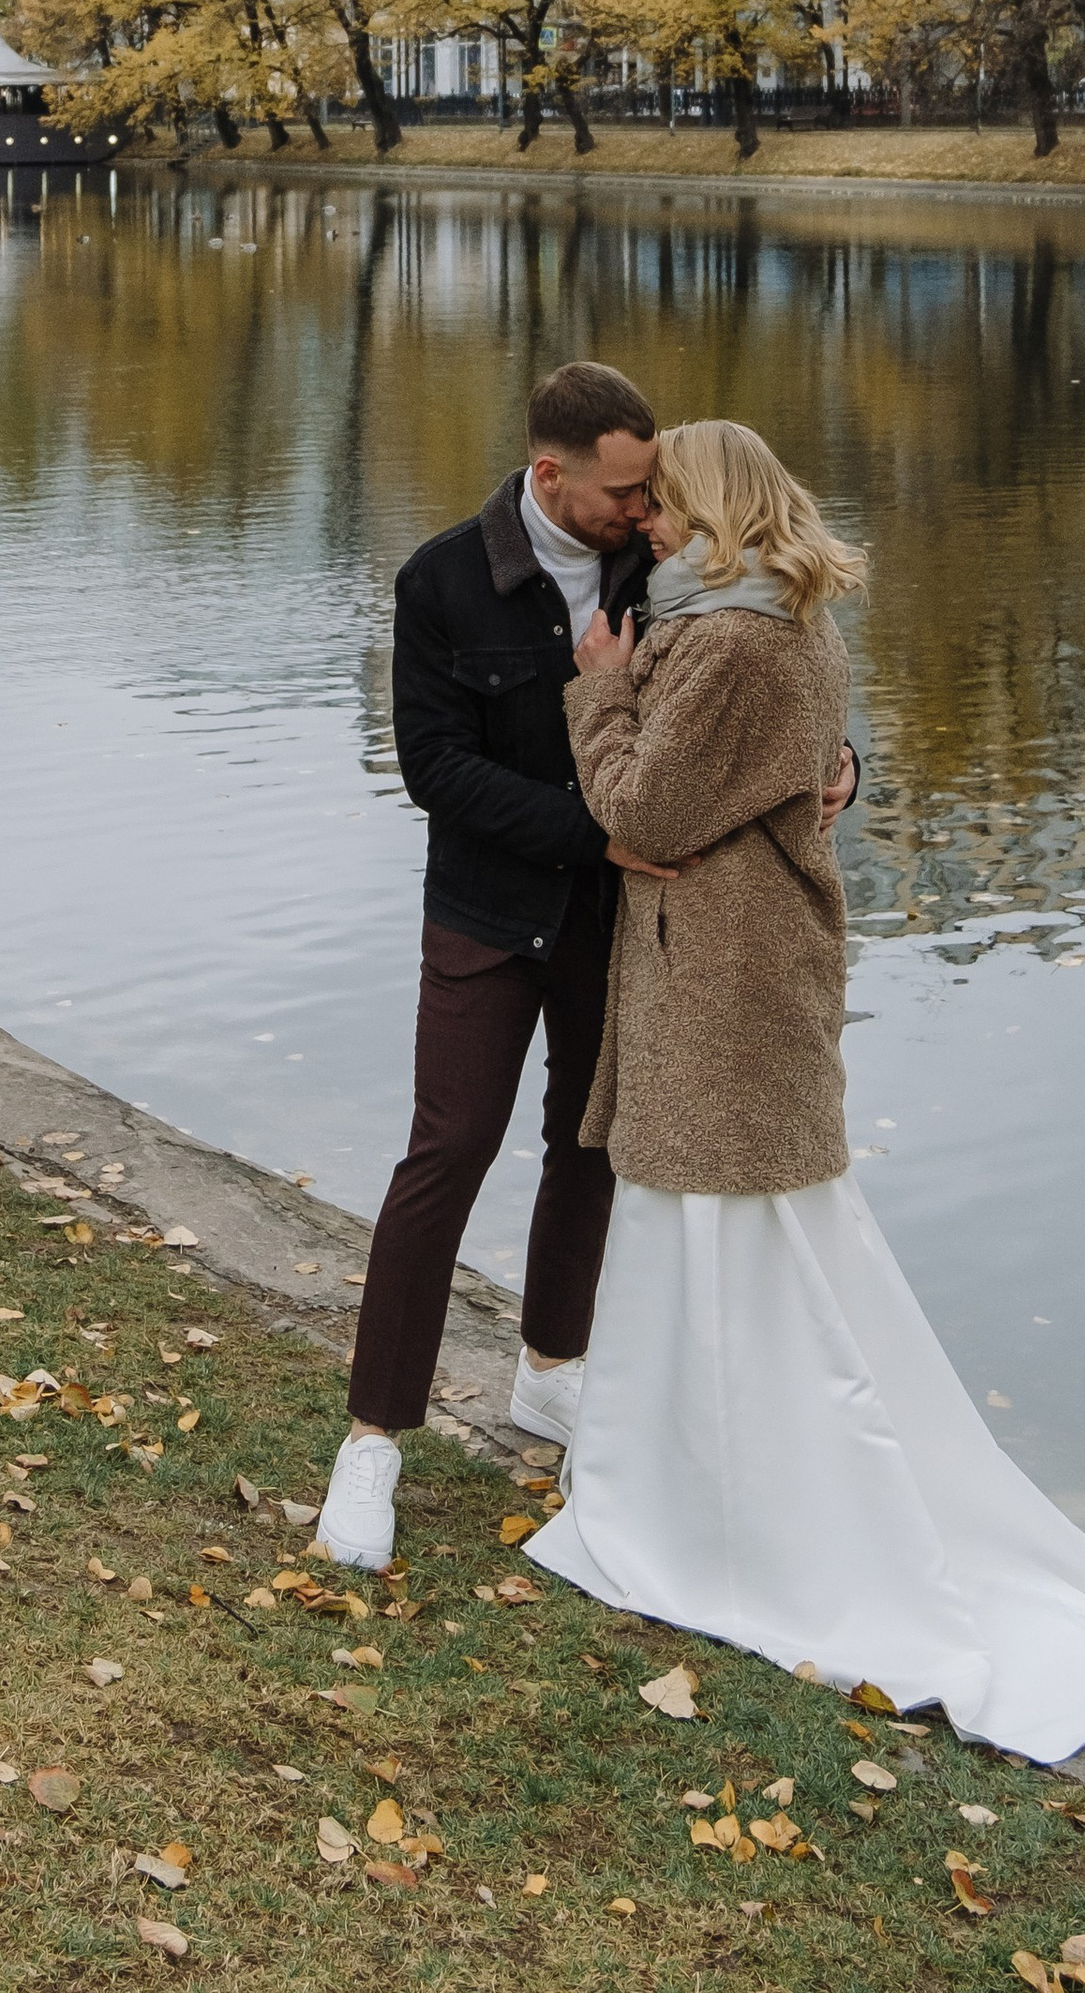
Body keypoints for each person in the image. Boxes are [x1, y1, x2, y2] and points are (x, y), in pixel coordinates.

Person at [523, 417, 1085, 1762]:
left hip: (728, 988)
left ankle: (740, 1521)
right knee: (730, 1247)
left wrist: (597, 691)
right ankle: (697, 1493)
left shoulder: (733, 643)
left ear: (716, 512)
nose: (650, 531)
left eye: (666, 510)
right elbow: (756, 785)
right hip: (721, 980)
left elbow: (646, 814)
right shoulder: (749, 619)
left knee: (744, 1249)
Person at [316, 364, 857, 1576]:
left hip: (628, 923)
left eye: (651, 488)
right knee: (445, 1150)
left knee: (591, 1143)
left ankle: (550, 1370)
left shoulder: (661, 565)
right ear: (549, 474)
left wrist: (840, 766)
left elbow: (756, 682)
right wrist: (597, 832)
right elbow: (434, 770)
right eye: (622, 489)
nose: (642, 506)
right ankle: (373, 1437)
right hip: (490, 914)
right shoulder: (444, 578)